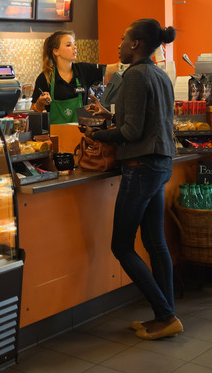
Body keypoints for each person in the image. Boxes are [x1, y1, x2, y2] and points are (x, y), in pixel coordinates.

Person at [84, 18, 181, 340]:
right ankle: (165, 315)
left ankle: (166, 315)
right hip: (160, 163)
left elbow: (131, 132)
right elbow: (147, 121)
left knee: (122, 246)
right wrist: (110, 116)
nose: (119, 45)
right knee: (155, 244)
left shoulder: (135, 76)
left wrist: (96, 133)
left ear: (136, 44)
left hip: (140, 168)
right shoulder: (158, 74)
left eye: (123, 39)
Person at [30, 31, 103, 123]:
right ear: (56, 51)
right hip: (55, 135)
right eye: (69, 45)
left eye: (74, 44)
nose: (75, 47)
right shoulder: (45, 77)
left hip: (81, 133)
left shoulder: (84, 70)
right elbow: (33, 113)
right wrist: (40, 104)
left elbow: (111, 69)